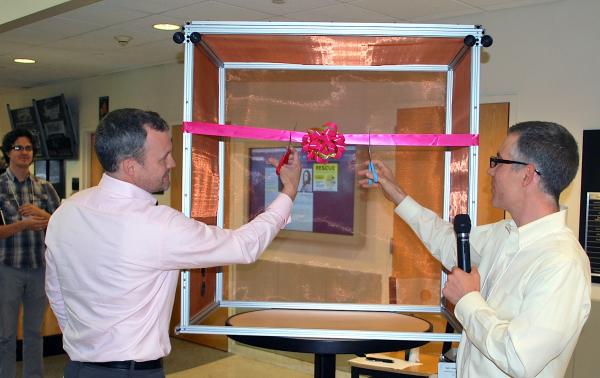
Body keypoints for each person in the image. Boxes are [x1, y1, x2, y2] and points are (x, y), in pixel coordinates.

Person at [44, 108, 301, 378]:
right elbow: (244, 246)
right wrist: (289, 191)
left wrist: (87, 346)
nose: (173, 164)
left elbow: (56, 292)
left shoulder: (66, 212)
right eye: (164, 157)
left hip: (77, 369)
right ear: (131, 166)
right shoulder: (157, 225)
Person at [359, 121, 591, 378]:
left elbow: (520, 359)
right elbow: (445, 241)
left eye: (498, 161)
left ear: (527, 174)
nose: (490, 171)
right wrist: (397, 193)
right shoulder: (505, 234)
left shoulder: (561, 263)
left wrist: (468, 300)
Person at [0, 129, 61, 378]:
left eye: (28, 148)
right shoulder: (1, 187)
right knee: (5, 334)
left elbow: (63, 225)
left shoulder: (44, 188)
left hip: (39, 268)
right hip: (8, 269)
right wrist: (23, 225)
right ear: (7, 153)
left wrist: (43, 216)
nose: (24, 153)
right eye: (18, 148)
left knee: (34, 333)